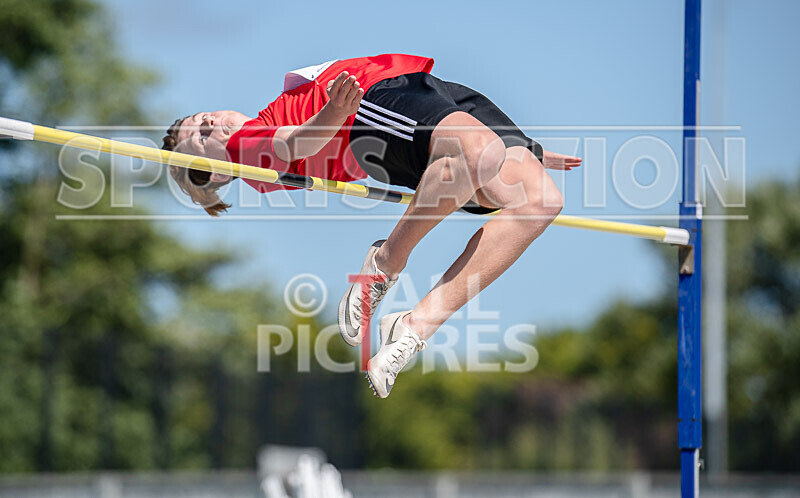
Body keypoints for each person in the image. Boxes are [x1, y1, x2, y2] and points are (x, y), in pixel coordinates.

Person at [161, 54, 581, 398]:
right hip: (371, 106)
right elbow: (294, 144)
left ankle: (414, 327)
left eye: (201, 117)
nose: (210, 123)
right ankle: (384, 263)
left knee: (542, 201)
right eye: (199, 137)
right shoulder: (242, 146)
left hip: (421, 88)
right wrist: (333, 112)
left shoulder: (260, 123)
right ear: (215, 173)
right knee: (479, 157)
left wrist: (527, 149)